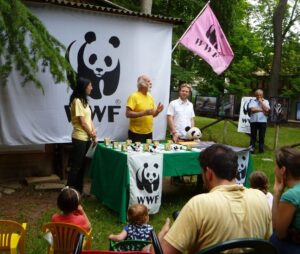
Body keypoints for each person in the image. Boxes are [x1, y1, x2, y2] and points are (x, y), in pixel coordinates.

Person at [156, 144, 272, 253]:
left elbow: (166, 252)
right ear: (235, 171)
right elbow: (268, 243)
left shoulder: (199, 205)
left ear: (209, 173)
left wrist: (162, 235)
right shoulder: (261, 198)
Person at [67, 77, 97, 194]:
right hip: (79, 137)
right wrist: (91, 134)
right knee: (76, 166)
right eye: (90, 86)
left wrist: (93, 132)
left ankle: (79, 190)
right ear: (84, 87)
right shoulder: (77, 101)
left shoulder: (84, 102)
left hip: (87, 137)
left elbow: (90, 120)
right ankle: (68, 191)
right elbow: (83, 122)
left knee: (82, 166)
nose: (92, 88)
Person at [270, 146, 300, 254]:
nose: (274, 169)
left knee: (273, 238)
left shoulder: (290, 196)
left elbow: (280, 233)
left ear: (283, 170)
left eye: (275, 166)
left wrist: (277, 195)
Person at [126, 75, 164, 143]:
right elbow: (128, 114)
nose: (151, 83)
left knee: (148, 153)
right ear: (142, 84)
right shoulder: (133, 96)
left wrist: (157, 111)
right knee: (136, 153)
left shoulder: (150, 97)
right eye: (148, 81)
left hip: (149, 132)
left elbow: (152, 115)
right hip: (136, 133)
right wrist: (144, 113)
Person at [248, 89, 270, 153]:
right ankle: (252, 149)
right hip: (253, 121)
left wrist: (261, 102)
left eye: (260, 95)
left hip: (263, 121)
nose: (259, 96)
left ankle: (261, 149)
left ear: (262, 95)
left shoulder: (266, 101)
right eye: (257, 95)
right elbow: (252, 109)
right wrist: (263, 110)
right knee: (253, 136)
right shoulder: (252, 101)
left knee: (262, 136)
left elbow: (267, 109)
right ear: (255, 95)